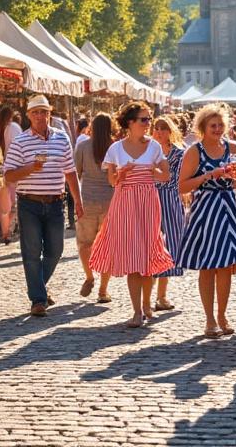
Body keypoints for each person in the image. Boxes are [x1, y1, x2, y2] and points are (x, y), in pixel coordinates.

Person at [177, 104, 236, 338]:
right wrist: (208, 176)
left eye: (220, 125)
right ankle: (210, 319)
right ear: (203, 127)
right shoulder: (195, 151)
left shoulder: (232, 147)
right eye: (212, 125)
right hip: (205, 209)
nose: (217, 129)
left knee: (225, 266)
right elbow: (181, 186)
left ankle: (222, 315)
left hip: (228, 207)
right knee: (207, 266)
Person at [89, 102, 174, 328]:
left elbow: (166, 176)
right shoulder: (115, 149)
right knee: (133, 257)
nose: (148, 124)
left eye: (148, 119)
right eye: (143, 119)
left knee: (147, 254)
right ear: (130, 122)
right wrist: (122, 173)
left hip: (148, 202)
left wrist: (152, 170)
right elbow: (112, 181)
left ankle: (146, 304)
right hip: (125, 202)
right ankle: (137, 311)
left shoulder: (154, 146)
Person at [2, 95, 82, 317]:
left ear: (49, 113)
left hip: (55, 202)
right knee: (31, 251)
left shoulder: (61, 138)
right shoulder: (20, 141)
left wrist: (78, 200)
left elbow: (70, 172)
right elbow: (8, 175)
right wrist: (30, 168)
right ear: (29, 115)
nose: (39, 116)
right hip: (29, 203)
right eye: (35, 112)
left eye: (43, 112)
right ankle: (38, 300)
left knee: (56, 250)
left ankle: (38, 288)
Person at [74, 113, 115, 304]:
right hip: (110, 201)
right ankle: (103, 290)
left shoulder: (83, 146)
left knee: (84, 243)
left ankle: (89, 276)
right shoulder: (114, 147)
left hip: (87, 201)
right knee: (106, 245)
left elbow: (76, 172)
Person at [151, 116, 187, 311]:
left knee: (170, 245)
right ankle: (146, 297)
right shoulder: (147, 150)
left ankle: (162, 295)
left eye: (163, 128)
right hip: (150, 198)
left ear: (170, 131)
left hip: (170, 199)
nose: (159, 132)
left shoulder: (179, 153)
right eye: (156, 128)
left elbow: (176, 178)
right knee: (150, 245)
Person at [0, 106, 19, 243]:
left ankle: (4, 233)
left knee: (3, 206)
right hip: (12, 168)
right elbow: (18, 148)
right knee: (14, 203)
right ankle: (9, 230)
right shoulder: (14, 128)